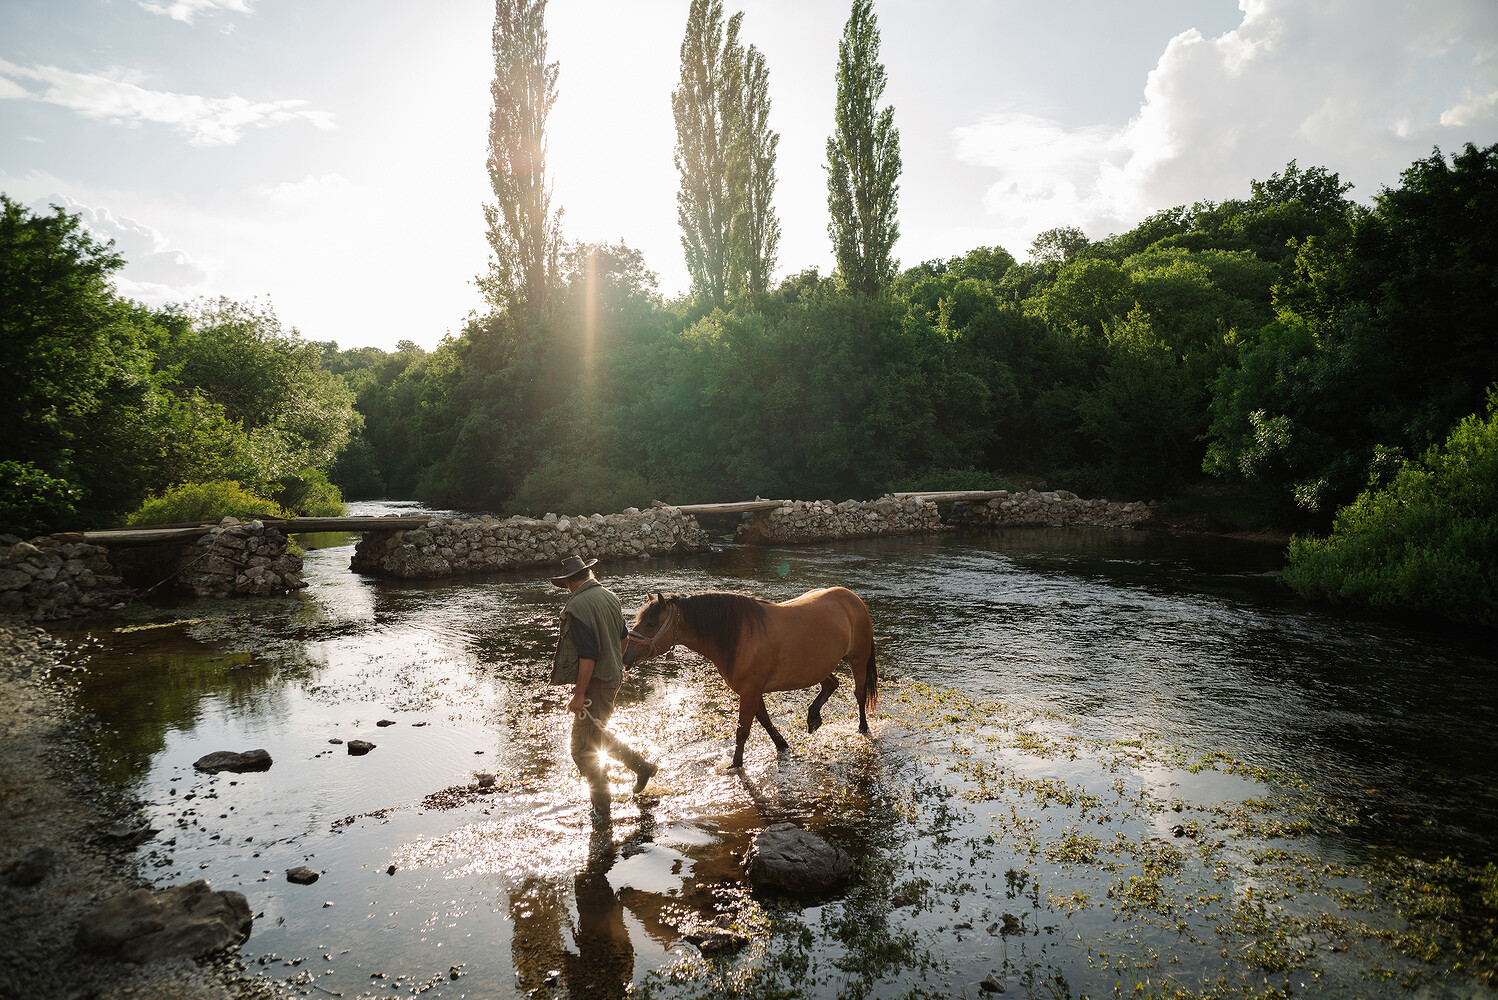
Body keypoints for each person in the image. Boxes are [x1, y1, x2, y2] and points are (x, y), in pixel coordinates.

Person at [549, 555, 657, 823]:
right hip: (612, 678)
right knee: (596, 738)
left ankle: (602, 809)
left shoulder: (577, 606)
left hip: (595, 684)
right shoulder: (609, 596)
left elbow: (588, 656)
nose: (567, 589)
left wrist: (579, 694)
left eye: (565, 584)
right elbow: (623, 639)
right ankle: (642, 768)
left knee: (581, 749)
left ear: (570, 582)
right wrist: (615, 666)